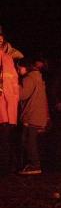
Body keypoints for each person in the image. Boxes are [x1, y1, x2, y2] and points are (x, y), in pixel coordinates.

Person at [17, 58, 49, 175]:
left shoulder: (29, 78)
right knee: (30, 140)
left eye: (19, 67)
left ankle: (34, 165)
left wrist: (14, 85)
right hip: (37, 114)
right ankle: (31, 164)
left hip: (31, 114)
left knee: (29, 141)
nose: (18, 70)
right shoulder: (38, 77)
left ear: (25, 67)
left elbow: (22, 94)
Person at [0, 26, 20, 174]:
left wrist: (15, 102)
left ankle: (5, 168)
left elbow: (14, 83)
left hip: (8, 110)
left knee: (6, 140)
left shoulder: (8, 59)